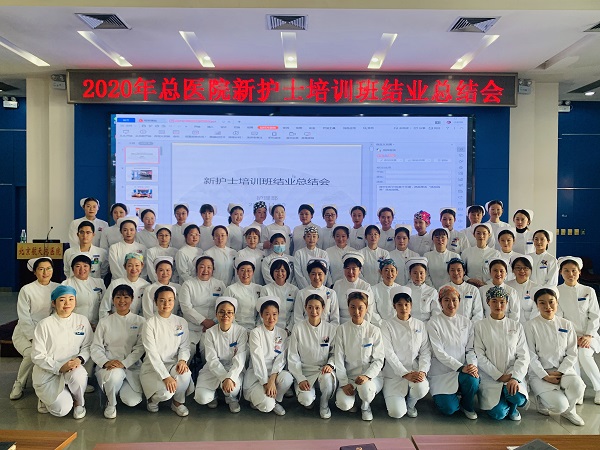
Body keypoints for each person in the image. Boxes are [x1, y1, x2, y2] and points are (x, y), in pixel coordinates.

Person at [524, 287, 586, 426]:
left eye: (551, 302)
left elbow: (572, 353)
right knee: (559, 406)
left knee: (578, 386)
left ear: (557, 303)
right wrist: (544, 375)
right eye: (542, 303)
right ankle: (542, 400)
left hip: (563, 370)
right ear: (536, 305)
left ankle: (570, 411)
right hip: (541, 373)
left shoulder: (566, 324)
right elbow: (531, 355)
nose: (548, 306)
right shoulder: (531, 326)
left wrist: (560, 371)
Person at [31, 285, 93, 419]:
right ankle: (45, 398)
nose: (67, 303)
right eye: (62, 300)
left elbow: (88, 345)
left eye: (71, 299)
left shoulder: (82, 320)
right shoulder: (44, 324)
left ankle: (79, 402)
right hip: (48, 372)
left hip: (73, 368)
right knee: (61, 410)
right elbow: (37, 355)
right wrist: (59, 367)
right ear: (54, 303)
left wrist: (79, 359)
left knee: (79, 375)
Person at [474, 285, 530, 421]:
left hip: (512, 374)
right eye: (494, 301)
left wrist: (515, 377)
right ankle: (504, 404)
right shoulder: (480, 326)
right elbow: (479, 355)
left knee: (518, 397)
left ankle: (513, 407)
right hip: (490, 377)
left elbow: (523, 356)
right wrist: (498, 375)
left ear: (507, 303)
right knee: (497, 415)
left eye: (502, 302)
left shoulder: (516, 326)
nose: (498, 305)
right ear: (488, 302)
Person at [91, 284, 145, 419]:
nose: (122, 301)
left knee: (131, 401)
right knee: (115, 375)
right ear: (113, 300)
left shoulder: (140, 321)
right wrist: (105, 362)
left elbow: (140, 347)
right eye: (118, 297)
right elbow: (96, 347)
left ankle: (115, 390)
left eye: (126, 297)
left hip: (131, 366)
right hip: (110, 366)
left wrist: (125, 363)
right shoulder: (104, 322)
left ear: (132, 299)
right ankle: (111, 403)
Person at [426, 286, 479, 420]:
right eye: (446, 300)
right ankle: (452, 399)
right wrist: (460, 367)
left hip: (462, 371)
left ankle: (467, 405)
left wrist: (472, 366)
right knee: (449, 409)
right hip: (441, 373)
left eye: (454, 300)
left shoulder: (467, 322)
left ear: (459, 301)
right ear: (440, 302)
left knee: (473, 378)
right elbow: (439, 352)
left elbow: (470, 349)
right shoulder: (433, 323)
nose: (451, 304)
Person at [9, 257, 59, 401]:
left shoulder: (57, 288)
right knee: (32, 354)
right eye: (41, 269)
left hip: (48, 331)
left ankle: (51, 383)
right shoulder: (27, 290)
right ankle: (19, 383)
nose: (45, 272)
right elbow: (24, 317)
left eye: (48, 268)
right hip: (26, 332)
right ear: (35, 272)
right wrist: (33, 337)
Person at [141, 286, 193, 416]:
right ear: (155, 302)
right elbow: (152, 354)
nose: (166, 304)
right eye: (162, 300)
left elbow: (185, 346)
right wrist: (166, 377)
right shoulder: (150, 324)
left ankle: (177, 403)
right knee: (165, 393)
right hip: (153, 367)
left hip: (173, 364)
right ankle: (152, 400)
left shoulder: (181, 322)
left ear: (174, 301)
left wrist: (182, 360)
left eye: (170, 300)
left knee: (185, 372)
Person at [334, 290, 384, 421]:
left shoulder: (374, 330)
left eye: (360, 307)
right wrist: (344, 382)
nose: (356, 312)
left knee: (366, 390)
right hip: (349, 377)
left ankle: (365, 406)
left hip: (370, 378)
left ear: (366, 308)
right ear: (348, 307)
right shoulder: (342, 330)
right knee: (344, 404)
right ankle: (353, 399)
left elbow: (379, 360)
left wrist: (367, 376)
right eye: (353, 307)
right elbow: (338, 359)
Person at [381, 286, 431, 418]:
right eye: (399, 304)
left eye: (406, 304)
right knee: (396, 413)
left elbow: (425, 351)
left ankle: (411, 404)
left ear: (411, 305)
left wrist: (422, 371)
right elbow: (388, 353)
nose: (403, 308)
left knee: (421, 388)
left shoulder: (420, 325)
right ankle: (398, 401)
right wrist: (404, 373)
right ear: (394, 306)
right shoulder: (387, 325)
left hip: (415, 370)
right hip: (393, 374)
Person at [556, 256, 600, 404]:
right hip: (568, 336)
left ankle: (599, 388)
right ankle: (578, 390)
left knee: (584, 354)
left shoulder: (588, 291)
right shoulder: (557, 292)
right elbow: (559, 318)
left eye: (574, 271)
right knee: (572, 356)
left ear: (579, 272)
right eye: (566, 271)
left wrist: (588, 335)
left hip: (589, 335)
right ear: (561, 273)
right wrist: (572, 337)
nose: (570, 274)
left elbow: (594, 316)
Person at [288, 292, 337, 419]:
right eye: (310, 307)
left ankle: (324, 404)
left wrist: (330, 364)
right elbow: (293, 356)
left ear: (323, 308)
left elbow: (335, 352)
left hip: (322, 369)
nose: (313, 311)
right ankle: (310, 398)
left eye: (317, 307)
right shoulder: (298, 328)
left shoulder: (330, 329)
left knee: (327, 379)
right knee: (306, 400)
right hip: (304, 370)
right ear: (305, 308)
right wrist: (300, 378)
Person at [194, 297, 248, 413]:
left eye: (229, 312)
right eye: (221, 312)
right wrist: (224, 378)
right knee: (201, 397)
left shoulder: (241, 331)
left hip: (232, 367)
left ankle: (231, 399)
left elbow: (240, 358)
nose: (225, 315)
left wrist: (230, 377)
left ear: (234, 315)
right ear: (216, 314)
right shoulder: (210, 332)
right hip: (213, 368)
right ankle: (213, 395)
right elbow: (211, 359)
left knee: (232, 389)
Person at [243, 296, 294, 415]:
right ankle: (266, 401)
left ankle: (273, 399)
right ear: (261, 315)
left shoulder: (282, 333)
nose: (271, 318)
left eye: (274, 314)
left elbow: (281, 358)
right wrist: (265, 383)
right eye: (267, 314)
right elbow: (257, 360)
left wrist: (272, 379)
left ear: (278, 315)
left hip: (274, 373)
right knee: (267, 406)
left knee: (287, 378)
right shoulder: (256, 333)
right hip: (257, 375)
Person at [178, 255, 225, 357]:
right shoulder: (188, 284)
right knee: (187, 352)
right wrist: (204, 322)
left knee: (210, 352)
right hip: (192, 326)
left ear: (213, 269)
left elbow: (224, 307)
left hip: (213, 326)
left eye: (209, 267)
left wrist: (213, 322)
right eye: (202, 267)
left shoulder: (219, 284)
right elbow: (186, 308)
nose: (205, 270)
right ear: (196, 269)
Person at [62, 254, 105, 330]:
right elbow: (63, 308)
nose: (82, 269)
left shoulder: (99, 282)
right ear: (72, 269)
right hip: (74, 326)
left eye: (85, 266)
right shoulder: (66, 284)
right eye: (78, 266)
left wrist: (100, 324)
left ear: (90, 268)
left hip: (97, 326)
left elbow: (104, 305)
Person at [100, 253, 150, 319]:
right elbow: (104, 308)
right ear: (124, 266)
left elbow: (147, 310)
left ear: (142, 266)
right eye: (130, 265)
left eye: (137, 265)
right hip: (116, 320)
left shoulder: (146, 286)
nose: (134, 268)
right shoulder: (115, 284)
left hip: (137, 322)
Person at [333, 253, 375, 324]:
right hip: (341, 323)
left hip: (360, 323)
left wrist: (361, 325)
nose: (350, 272)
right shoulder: (337, 285)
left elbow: (369, 310)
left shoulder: (365, 286)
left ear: (359, 270)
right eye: (347, 268)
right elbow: (334, 309)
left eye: (354, 269)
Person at [294, 259, 339, 326]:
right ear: (309, 275)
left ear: (325, 275)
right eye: (313, 274)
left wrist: (328, 330)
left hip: (327, 330)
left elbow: (335, 319)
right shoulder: (301, 293)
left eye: (320, 274)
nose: (317, 277)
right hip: (306, 329)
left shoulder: (331, 293)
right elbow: (298, 317)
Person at [260, 258, 299, 334]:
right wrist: (271, 329)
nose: (280, 273)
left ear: (287, 272)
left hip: (289, 330)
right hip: (270, 329)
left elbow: (295, 312)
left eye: (282, 271)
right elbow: (262, 312)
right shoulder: (266, 289)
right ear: (272, 272)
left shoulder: (294, 290)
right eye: (276, 271)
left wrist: (289, 329)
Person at [224, 258, 262, 331]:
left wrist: (257, 328)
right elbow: (227, 312)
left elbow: (262, 312)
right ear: (237, 272)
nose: (245, 274)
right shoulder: (230, 289)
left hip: (255, 328)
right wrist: (238, 329)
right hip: (235, 328)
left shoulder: (259, 288)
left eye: (249, 270)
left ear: (253, 272)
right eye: (242, 270)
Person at [441, 258, 483, 322]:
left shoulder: (473, 289)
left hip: (469, 326)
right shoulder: (443, 289)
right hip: (448, 325)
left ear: (464, 272)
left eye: (459, 270)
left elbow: (478, 313)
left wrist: (469, 326)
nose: (456, 273)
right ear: (448, 272)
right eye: (452, 270)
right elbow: (440, 310)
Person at [461, 223, 502, 287]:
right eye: (478, 233)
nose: (481, 236)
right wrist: (469, 280)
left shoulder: (495, 253)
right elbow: (460, 270)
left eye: (484, 233)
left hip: (489, 286)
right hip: (470, 286)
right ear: (474, 235)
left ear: (489, 235)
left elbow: (499, 272)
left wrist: (487, 283)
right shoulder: (467, 252)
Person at [506, 256, 540, 324]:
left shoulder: (536, 288)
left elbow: (536, 311)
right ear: (513, 270)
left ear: (531, 270)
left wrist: (529, 325)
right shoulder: (506, 286)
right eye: (518, 268)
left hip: (530, 324)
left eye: (525, 268)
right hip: (510, 323)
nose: (522, 271)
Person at [404, 257, 440, 322]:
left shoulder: (432, 291)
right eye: (415, 273)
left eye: (421, 273)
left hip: (427, 324)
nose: (418, 276)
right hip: (409, 323)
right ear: (410, 274)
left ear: (425, 274)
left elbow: (436, 312)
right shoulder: (405, 290)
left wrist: (430, 325)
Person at [372, 259, 402, 326]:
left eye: (392, 270)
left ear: (396, 272)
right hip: (379, 325)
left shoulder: (401, 289)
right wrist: (382, 323)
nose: (389, 274)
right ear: (380, 272)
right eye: (386, 270)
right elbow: (372, 311)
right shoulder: (373, 289)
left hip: (398, 325)